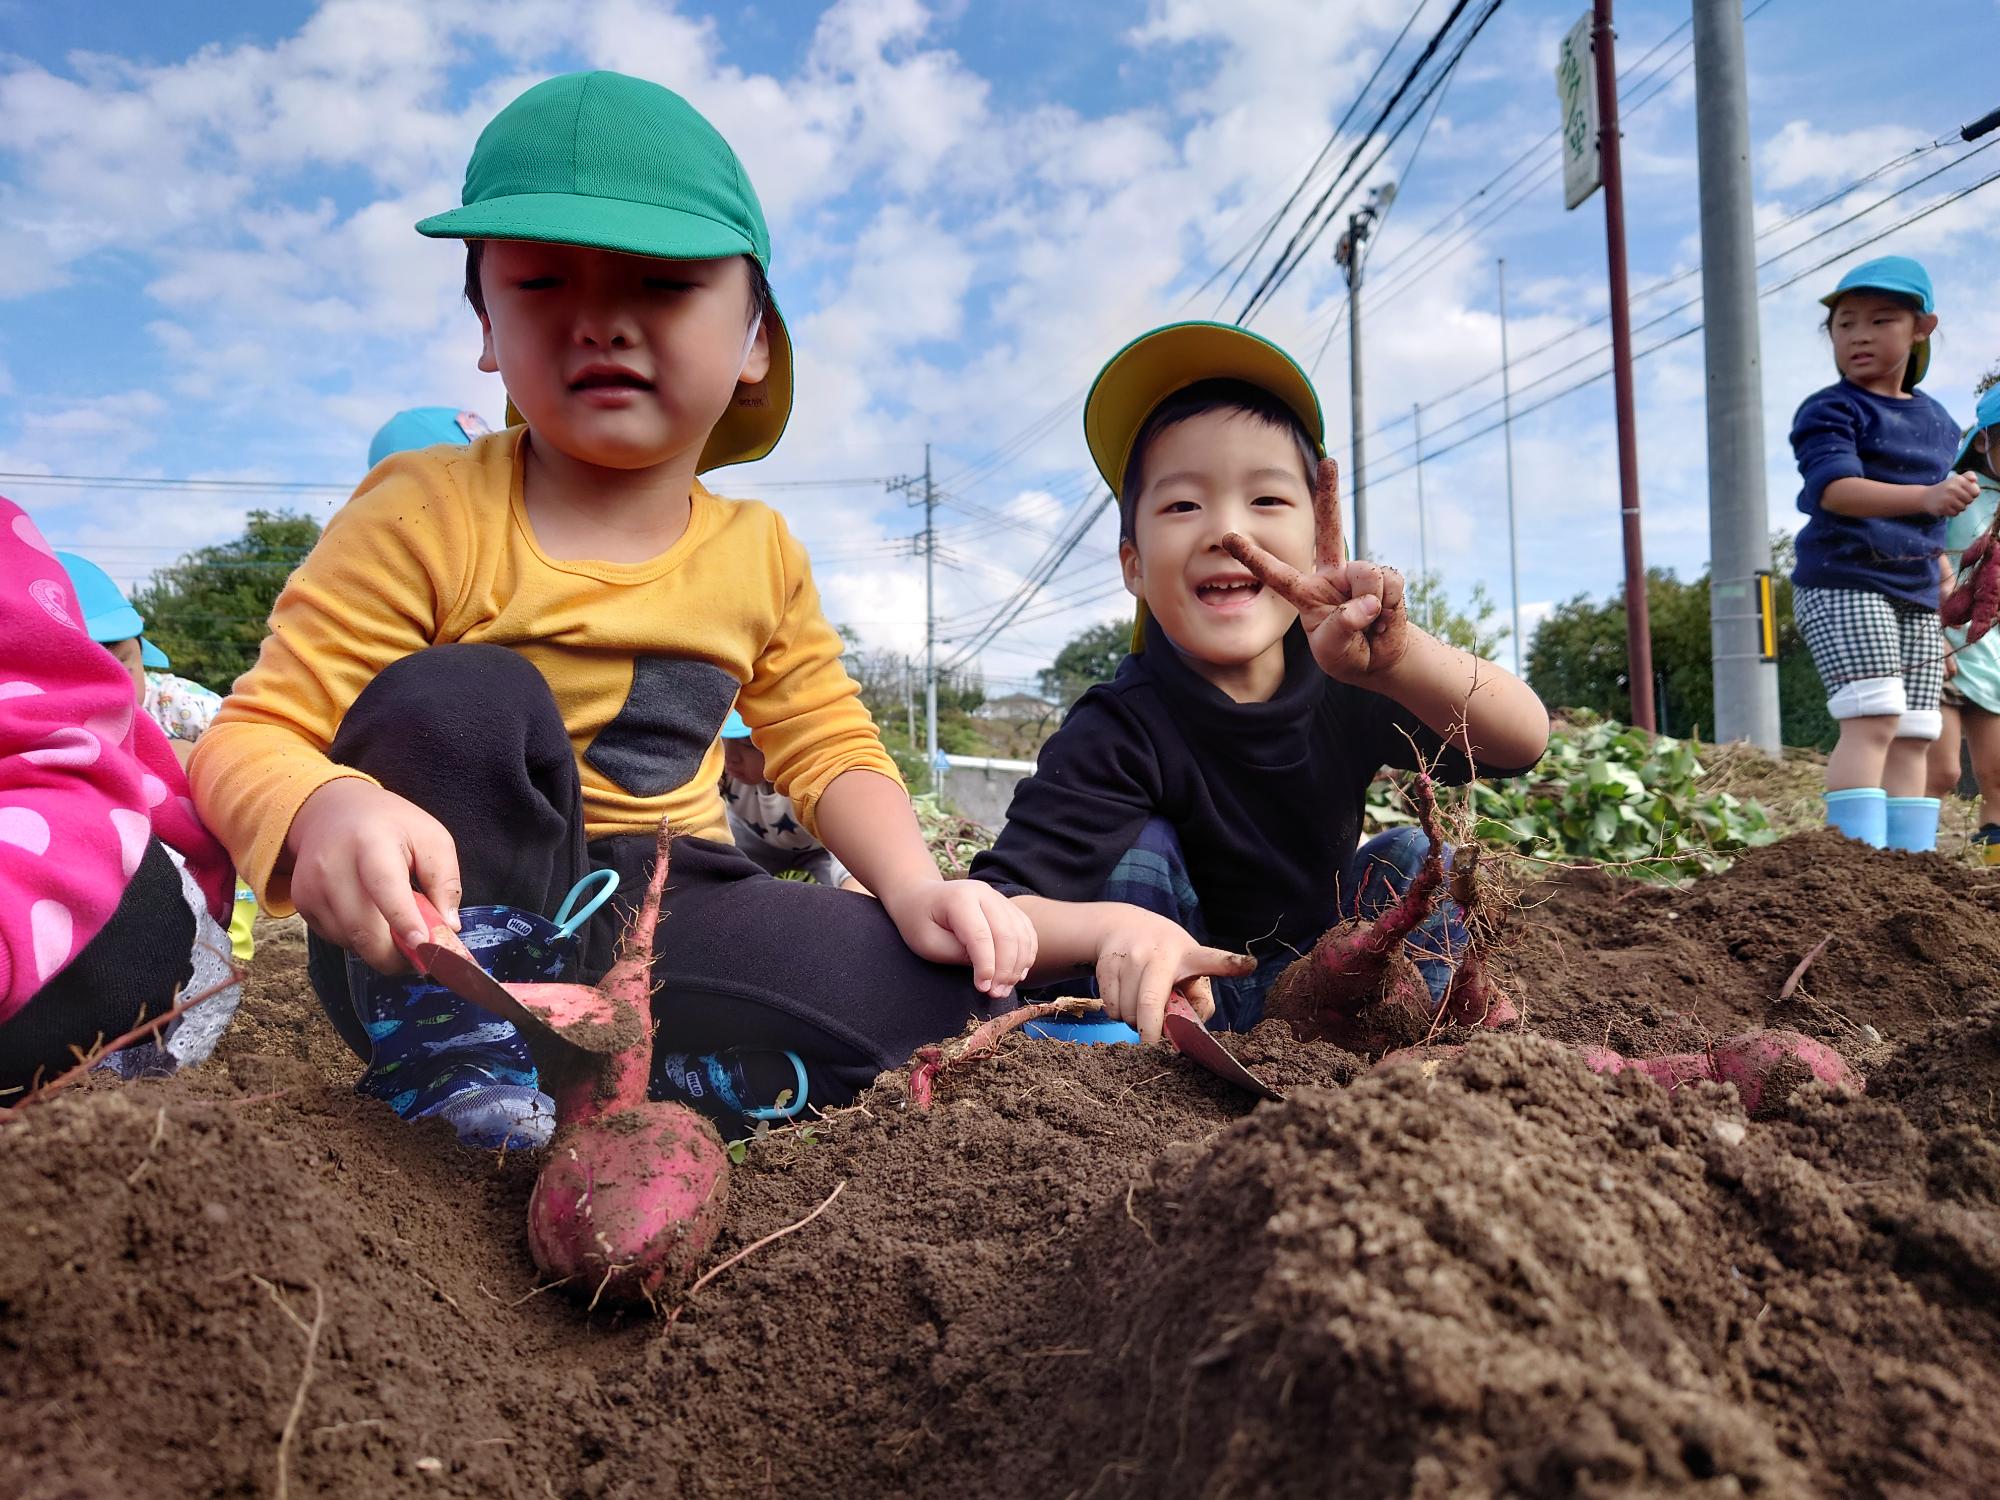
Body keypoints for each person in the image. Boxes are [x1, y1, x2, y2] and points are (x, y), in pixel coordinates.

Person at [188, 71, 1033, 1147]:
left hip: (674, 907)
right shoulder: (424, 512)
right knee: (462, 693)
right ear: (487, 327)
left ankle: (657, 1081)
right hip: (451, 929)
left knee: (952, 1003)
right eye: (542, 282)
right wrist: (324, 810)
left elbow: (825, 743)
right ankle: (466, 1079)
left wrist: (915, 889)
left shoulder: (758, 551)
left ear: (755, 341)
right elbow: (252, 735)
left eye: (663, 284)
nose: (598, 321)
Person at [971, 322, 1549, 1041]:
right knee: (1138, 852)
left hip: (1329, 993)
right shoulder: (1119, 729)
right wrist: (1116, 929)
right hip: (1184, 1012)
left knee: (1416, 858)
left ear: (1315, 541)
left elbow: (1520, 743)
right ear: (1133, 567)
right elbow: (998, 906)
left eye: (1267, 501)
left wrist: (1400, 662)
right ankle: (1148, 1077)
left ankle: (1417, 1050)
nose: (1226, 532)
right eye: (1183, 505)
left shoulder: (1351, 683)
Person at [0, 498, 238, 1096]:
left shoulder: (172, 700)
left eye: (121, 656)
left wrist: (208, 772)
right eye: (94, 651)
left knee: (159, 883)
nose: (112, 671)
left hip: (137, 860)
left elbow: (221, 746)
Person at [1790, 256, 1975, 852]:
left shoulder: (1940, 422)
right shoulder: (1832, 410)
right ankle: (1856, 867)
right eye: (1845, 323)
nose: (1859, 335)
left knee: (1918, 730)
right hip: (1843, 582)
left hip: (1916, 591)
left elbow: (1930, 530)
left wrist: (1947, 600)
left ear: (1922, 327)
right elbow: (1835, 491)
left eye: (1881, 320)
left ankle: (1908, 869)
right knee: (1873, 718)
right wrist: (1927, 494)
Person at [56, 550, 256, 961]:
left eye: (122, 664)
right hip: (109, 888)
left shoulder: (175, 702)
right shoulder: (45, 732)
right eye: (79, 672)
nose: (110, 688)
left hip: (205, 875)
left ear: (142, 651)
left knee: (217, 959)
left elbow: (248, 739)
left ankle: (224, 951)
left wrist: (197, 760)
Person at [1927, 381, 2000, 861]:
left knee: (1999, 774)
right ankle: (1904, 862)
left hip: (1992, 658)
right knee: (1941, 772)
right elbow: (1922, 542)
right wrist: (1932, 628)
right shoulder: (1960, 491)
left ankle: (1993, 860)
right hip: (1944, 653)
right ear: (1983, 440)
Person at [719, 710, 863, 891]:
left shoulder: (812, 779)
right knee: (724, 882)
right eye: (724, 740)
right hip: (752, 840)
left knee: (856, 894)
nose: (731, 757)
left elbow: (852, 857)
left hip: (816, 849)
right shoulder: (721, 769)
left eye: (747, 744)